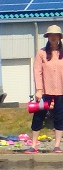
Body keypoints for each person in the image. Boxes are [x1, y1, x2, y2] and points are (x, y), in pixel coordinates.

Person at [29, 24, 63, 153]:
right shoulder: (41, 53)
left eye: (56, 35)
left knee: (60, 117)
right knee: (38, 116)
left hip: (61, 90)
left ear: (59, 37)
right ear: (47, 37)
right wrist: (39, 89)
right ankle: (33, 145)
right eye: (51, 35)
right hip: (45, 90)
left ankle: (57, 145)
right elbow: (37, 71)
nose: (53, 37)